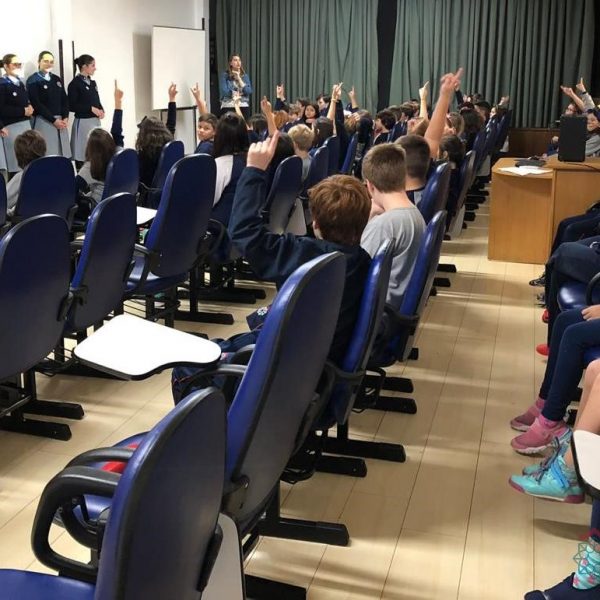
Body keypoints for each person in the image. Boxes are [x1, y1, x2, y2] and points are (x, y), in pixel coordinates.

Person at [171, 130, 372, 401]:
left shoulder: (308, 256)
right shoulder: (362, 261)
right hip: (312, 365)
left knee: (186, 367)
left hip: (281, 368)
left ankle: (209, 426)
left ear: (316, 223)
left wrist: (254, 171)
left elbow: (244, 233)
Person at [360, 143, 425, 307]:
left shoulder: (383, 225)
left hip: (380, 309)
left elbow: (358, 270)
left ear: (370, 186)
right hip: (396, 305)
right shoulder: (416, 214)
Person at [27, 51, 70, 158]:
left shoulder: (56, 79)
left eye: (51, 62)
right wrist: (53, 120)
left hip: (61, 122)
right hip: (44, 121)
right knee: (47, 154)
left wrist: (65, 117)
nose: (49, 64)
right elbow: (36, 103)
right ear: (39, 62)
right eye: (45, 61)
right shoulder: (33, 80)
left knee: (62, 154)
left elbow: (64, 99)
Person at [211, 112, 249, 226]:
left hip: (220, 228)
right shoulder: (252, 161)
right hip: (245, 224)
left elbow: (208, 202)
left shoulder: (220, 165)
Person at [68, 54, 104, 166]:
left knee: (96, 153)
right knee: (82, 153)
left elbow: (96, 100)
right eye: (92, 65)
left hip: (95, 122)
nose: (95, 68)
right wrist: (90, 108)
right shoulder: (75, 84)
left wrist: (101, 109)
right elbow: (72, 105)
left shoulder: (93, 83)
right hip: (83, 123)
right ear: (84, 66)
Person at [0, 54, 33, 175]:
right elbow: (2, 109)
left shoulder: (20, 83)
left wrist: (29, 106)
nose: (18, 67)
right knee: (15, 164)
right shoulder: (2, 84)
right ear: (6, 66)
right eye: (15, 64)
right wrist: (23, 111)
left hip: (25, 125)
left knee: (28, 163)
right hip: (11, 127)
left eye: (19, 64)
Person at [6, 130, 46, 216]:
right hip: (56, 221)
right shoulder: (55, 172)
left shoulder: (23, 176)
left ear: (19, 155)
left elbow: (3, 201)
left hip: (25, 222)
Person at [219, 54, 252, 119]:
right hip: (229, 105)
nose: (238, 62)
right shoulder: (225, 76)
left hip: (243, 105)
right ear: (231, 63)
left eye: (239, 60)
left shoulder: (245, 76)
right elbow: (224, 91)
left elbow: (248, 91)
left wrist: (239, 78)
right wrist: (237, 93)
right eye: (235, 60)